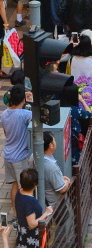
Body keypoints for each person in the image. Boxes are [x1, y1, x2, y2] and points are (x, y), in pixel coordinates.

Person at [1, 84, 33, 212]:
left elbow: (6, 133)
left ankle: (14, 212)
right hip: (20, 158)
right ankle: (22, 214)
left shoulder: (4, 114)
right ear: (23, 99)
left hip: (8, 154)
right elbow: (39, 116)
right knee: (24, 189)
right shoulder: (25, 114)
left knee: (15, 183)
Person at [15, 167, 53, 246]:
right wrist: (46, 213)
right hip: (30, 237)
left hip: (22, 232)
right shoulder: (30, 201)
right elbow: (32, 224)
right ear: (35, 185)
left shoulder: (19, 192)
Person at [43, 132, 71, 206]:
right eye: (54, 141)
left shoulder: (34, 157)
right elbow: (61, 189)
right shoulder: (51, 167)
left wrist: (60, 178)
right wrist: (66, 181)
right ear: (51, 145)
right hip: (54, 205)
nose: (56, 142)